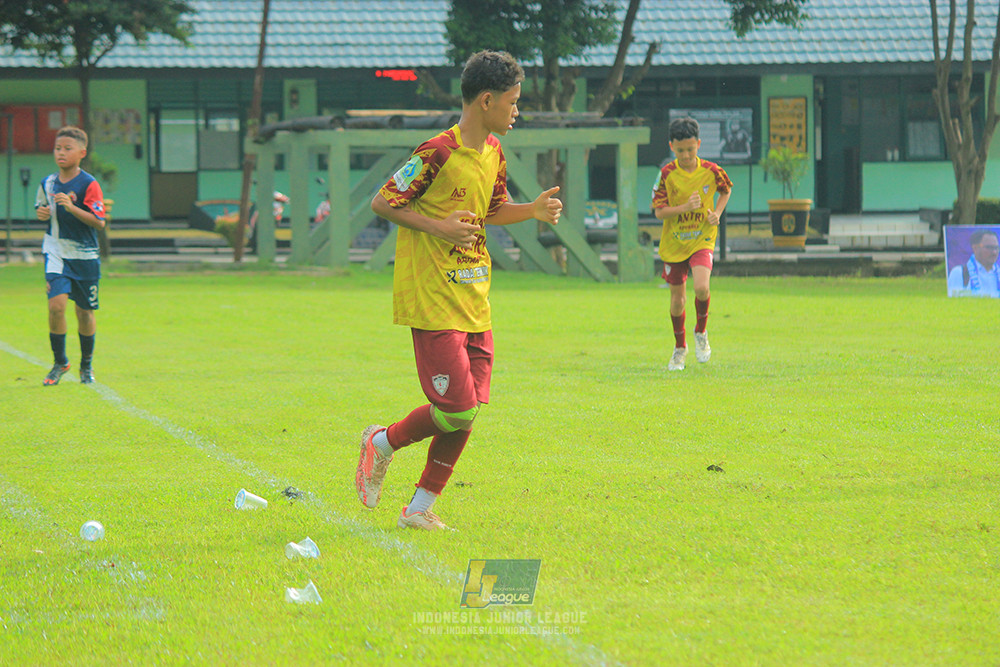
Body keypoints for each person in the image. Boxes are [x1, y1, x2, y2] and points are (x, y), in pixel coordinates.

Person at [355, 50, 562, 531]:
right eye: (512, 102)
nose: (517, 111)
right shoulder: (436, 153)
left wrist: (529, 210)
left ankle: (420, 508)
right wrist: (438, 227)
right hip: (432, 301)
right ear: (486, 100)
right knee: (458, 407)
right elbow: (383, 202)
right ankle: (380, 443)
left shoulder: (494, 152)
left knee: (465, 413)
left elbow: (493, 208)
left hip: (475, 300)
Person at [652, 117, 733, 371]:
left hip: (702, 238)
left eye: (690, 149)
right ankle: (679, 348)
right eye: (680, 151)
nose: (686, 155)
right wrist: (685, 207)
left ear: (698, 144)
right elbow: (659, 212)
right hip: (675, 244)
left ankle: (701, 332)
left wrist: (717, 214)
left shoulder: (711, 170)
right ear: (671, 147)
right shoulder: (666, 174)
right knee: (677, 301)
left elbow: (726, 189)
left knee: (701, 287)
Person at [35, 126, 106, 385]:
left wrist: (72, 207)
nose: (61, 153)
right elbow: (42, 208)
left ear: (82, 153)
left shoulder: (89, 184)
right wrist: (42, 213)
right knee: (56, 306)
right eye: (57, 148)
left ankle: (86, 365)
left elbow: (99, 222)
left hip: (85, 256)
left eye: (67, 148)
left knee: (84, 312)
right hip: (55, 252)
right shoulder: (48, 182)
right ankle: (59, 363)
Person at [947, 229, 1000, 297]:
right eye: (989, 247)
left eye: (996, 248)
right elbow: (954, 302)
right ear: (975, 248)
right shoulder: (960, 273)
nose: (994, 252)